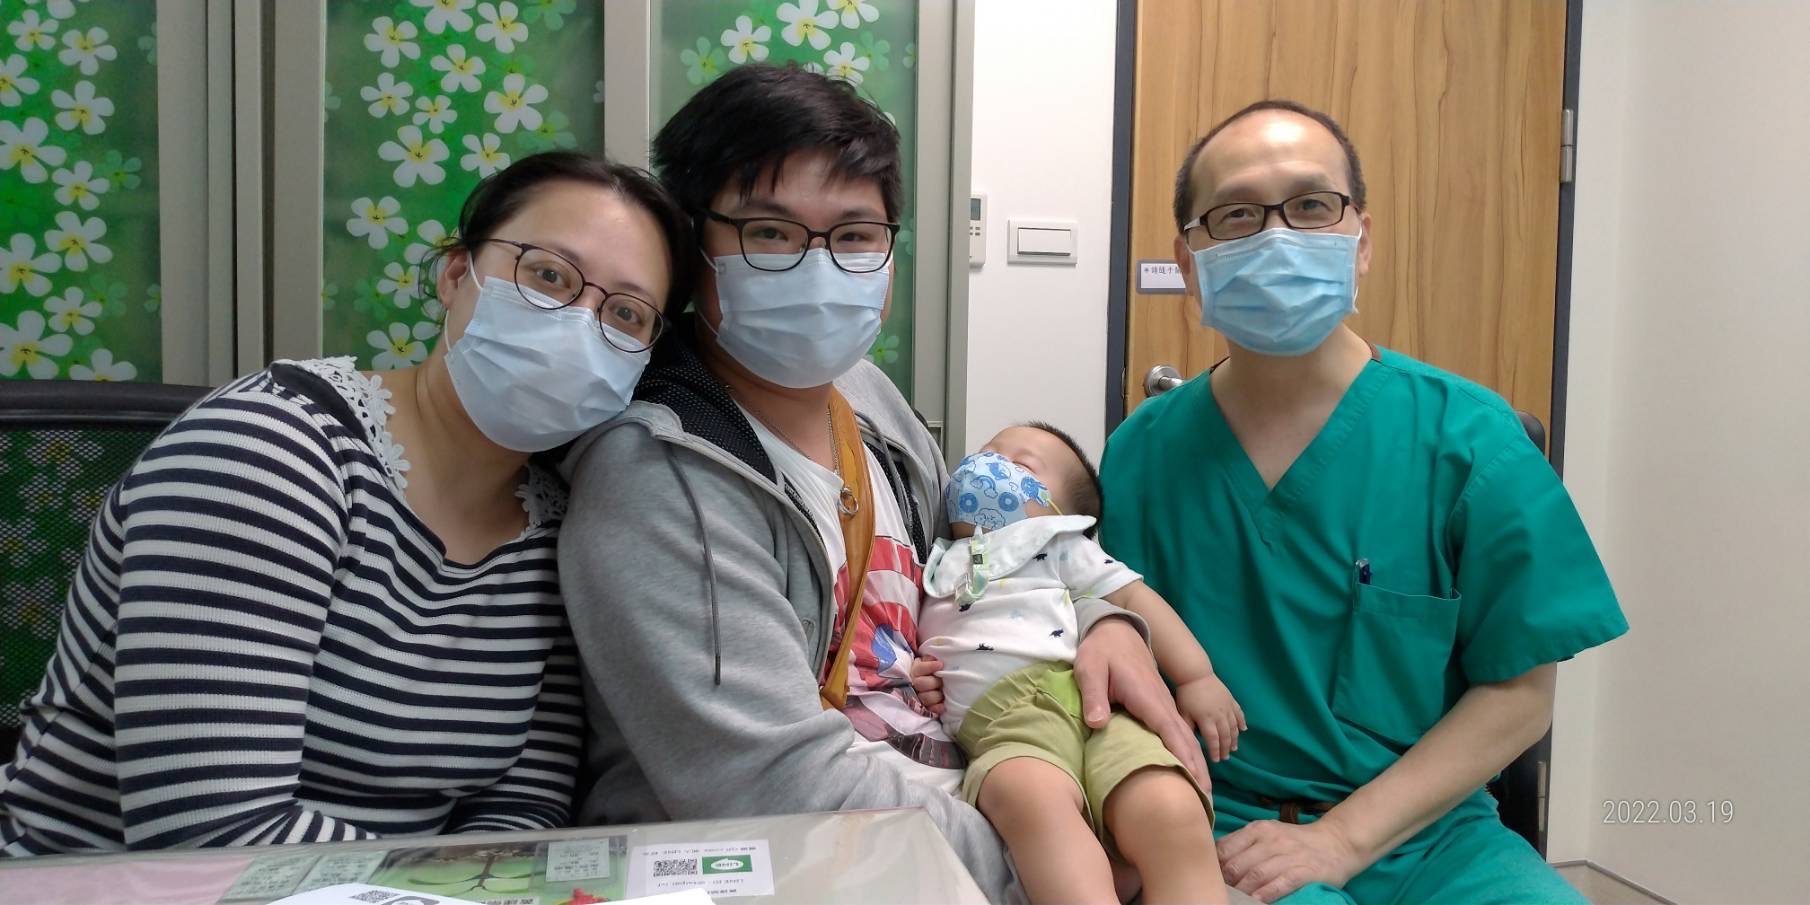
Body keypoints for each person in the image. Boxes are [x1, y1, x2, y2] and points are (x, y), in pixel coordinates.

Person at [558, 64, 1205, 904]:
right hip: (799, 870)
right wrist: (1062, 859)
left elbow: (979, 564)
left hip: (974, 800)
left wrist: (1101, 623)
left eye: (856, 235)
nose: (819, 266)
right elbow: (774, 790)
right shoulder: (658, 474)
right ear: (693, 244)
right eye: (770, 232)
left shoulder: (866, 400)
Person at [0, 151, 690, 854]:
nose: (579, 323)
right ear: (458, 275)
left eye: (626, 313)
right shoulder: (269, 452)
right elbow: (211, 831)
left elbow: (525, 804)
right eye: (548, 275)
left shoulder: (560, 526)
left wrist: (476, 887)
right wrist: (454, 888)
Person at [1099, 99, 1630, 904]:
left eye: (1312, 205)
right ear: (1189, 260)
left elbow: (1521, 692)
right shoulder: (1143, 453)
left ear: (1363, 239)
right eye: (1238, 213)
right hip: (1224, 829)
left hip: (1432, 835)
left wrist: (1343, 838)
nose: (1278, 235)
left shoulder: (1468, 439)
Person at [918, 423, 1240, 905]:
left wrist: (1197, 676)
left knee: (1168, 805)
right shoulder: (935, 561)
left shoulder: (1057, 542)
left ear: (1061, 512)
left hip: (1094, 697)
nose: (991, 464)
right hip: (1006, 728)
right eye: (987, 452)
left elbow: (1133, 597)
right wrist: (920, 676)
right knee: (1031, 800)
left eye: (1021, 464)